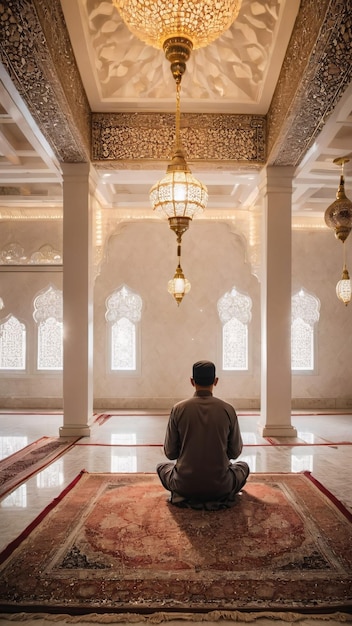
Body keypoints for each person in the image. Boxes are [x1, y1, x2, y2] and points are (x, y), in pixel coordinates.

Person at [156, 360, 250, 509]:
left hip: (184, 485)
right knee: (243, 467)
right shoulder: (228, 410)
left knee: (162, 467)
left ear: (192, 381)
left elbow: (170, 453)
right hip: (221, 486)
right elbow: (235, 452)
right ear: (216, 381)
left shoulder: (178, 409)